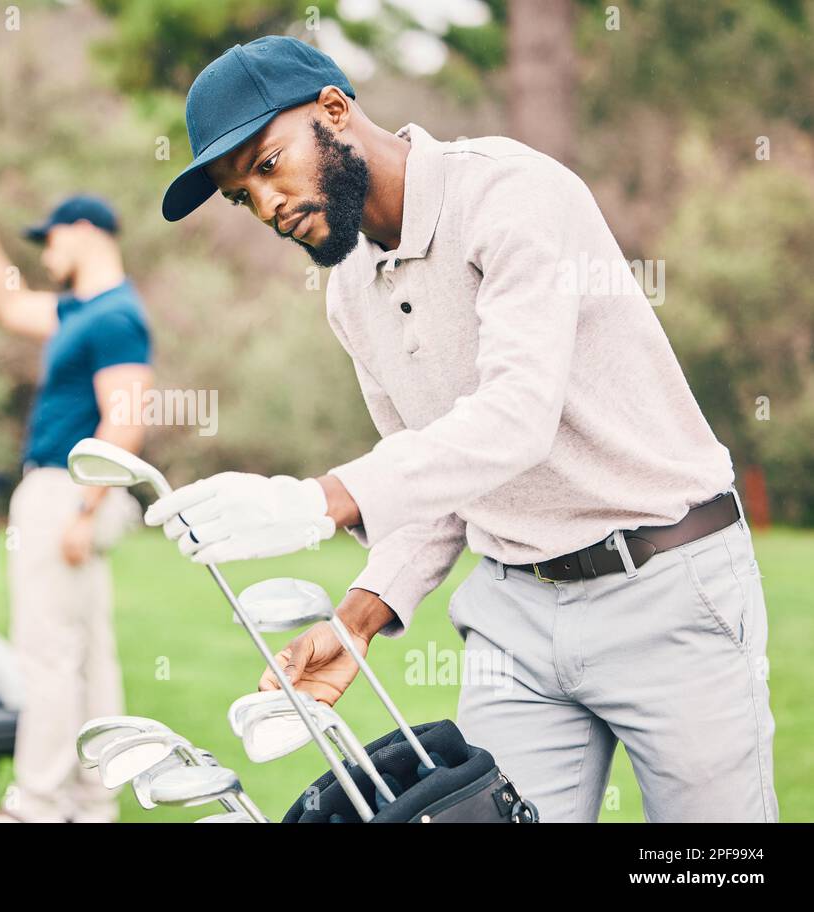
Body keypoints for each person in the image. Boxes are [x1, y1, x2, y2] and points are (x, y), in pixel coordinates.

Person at [147, 36, 776, 823]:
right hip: (513, 613)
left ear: (335, 111)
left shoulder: (513, 195)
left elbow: (514, 419)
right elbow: (437, 479)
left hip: (667, 584)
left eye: (268, 165)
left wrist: (320, 501)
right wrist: (360, 617)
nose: (267, 206)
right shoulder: (348, 293)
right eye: (243, 195)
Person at [0, 189, 153, 823]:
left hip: (69, 489)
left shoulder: (115, 315)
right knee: (86, 657)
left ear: (86, 230)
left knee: (48, 656)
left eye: (53, 239)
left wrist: (87, 510)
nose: (48, 252)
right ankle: (92, 805)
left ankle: (35, 806)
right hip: (67, 491)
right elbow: (7, 304)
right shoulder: (80, 311)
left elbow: (128, 416)